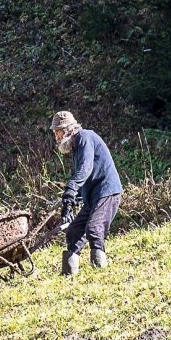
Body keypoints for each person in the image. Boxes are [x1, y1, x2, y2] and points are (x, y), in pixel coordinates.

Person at [50, 111, 122, 276]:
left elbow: (86, 168)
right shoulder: (76, 146)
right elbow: (86, 174)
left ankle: (100, 273)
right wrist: (73, 199)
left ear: (69, 129)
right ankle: (68, 274)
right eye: (55, 132)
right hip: (92, 196)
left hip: (107, 191)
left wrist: (70, 190)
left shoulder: (84, 137)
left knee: (94, 228)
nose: (56, 136)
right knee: (74, 231)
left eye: (58, 131)